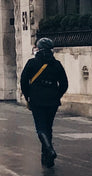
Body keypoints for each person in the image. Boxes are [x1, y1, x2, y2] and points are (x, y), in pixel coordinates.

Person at [20, 37, 68, 167]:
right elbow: (64, 83)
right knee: (48, 127)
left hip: (37, 99)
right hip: (52, 100)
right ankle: (47, 157)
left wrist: (28, 96)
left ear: (39, 48)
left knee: (41, 128)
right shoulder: (56, 64)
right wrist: (57, 95)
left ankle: (49, 150)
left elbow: (24, 81)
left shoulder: (32, 63)